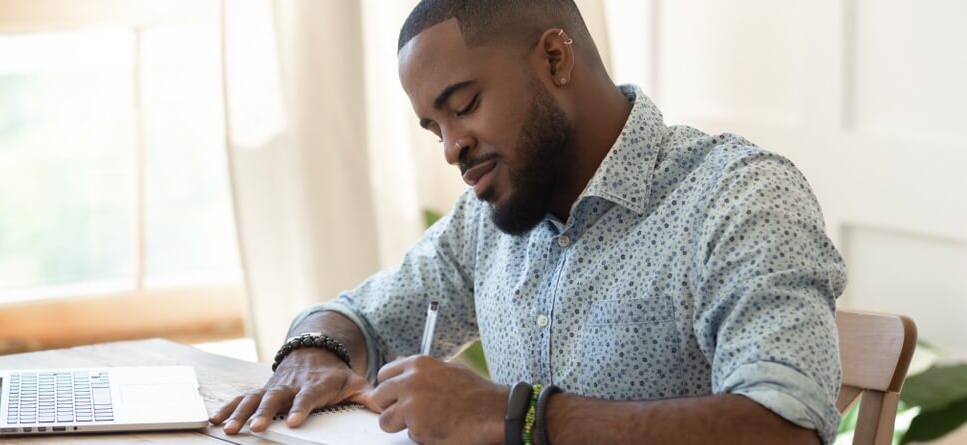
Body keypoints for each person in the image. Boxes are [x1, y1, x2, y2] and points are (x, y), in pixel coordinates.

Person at [210, 1, 846, 444]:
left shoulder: (739, 196)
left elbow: (784, 430)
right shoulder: (490, 218)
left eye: (464, 106)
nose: (451, 148)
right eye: (435, 127)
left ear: (553, 58)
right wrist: (312, 353)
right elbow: (362, 318)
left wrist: (515, 416)